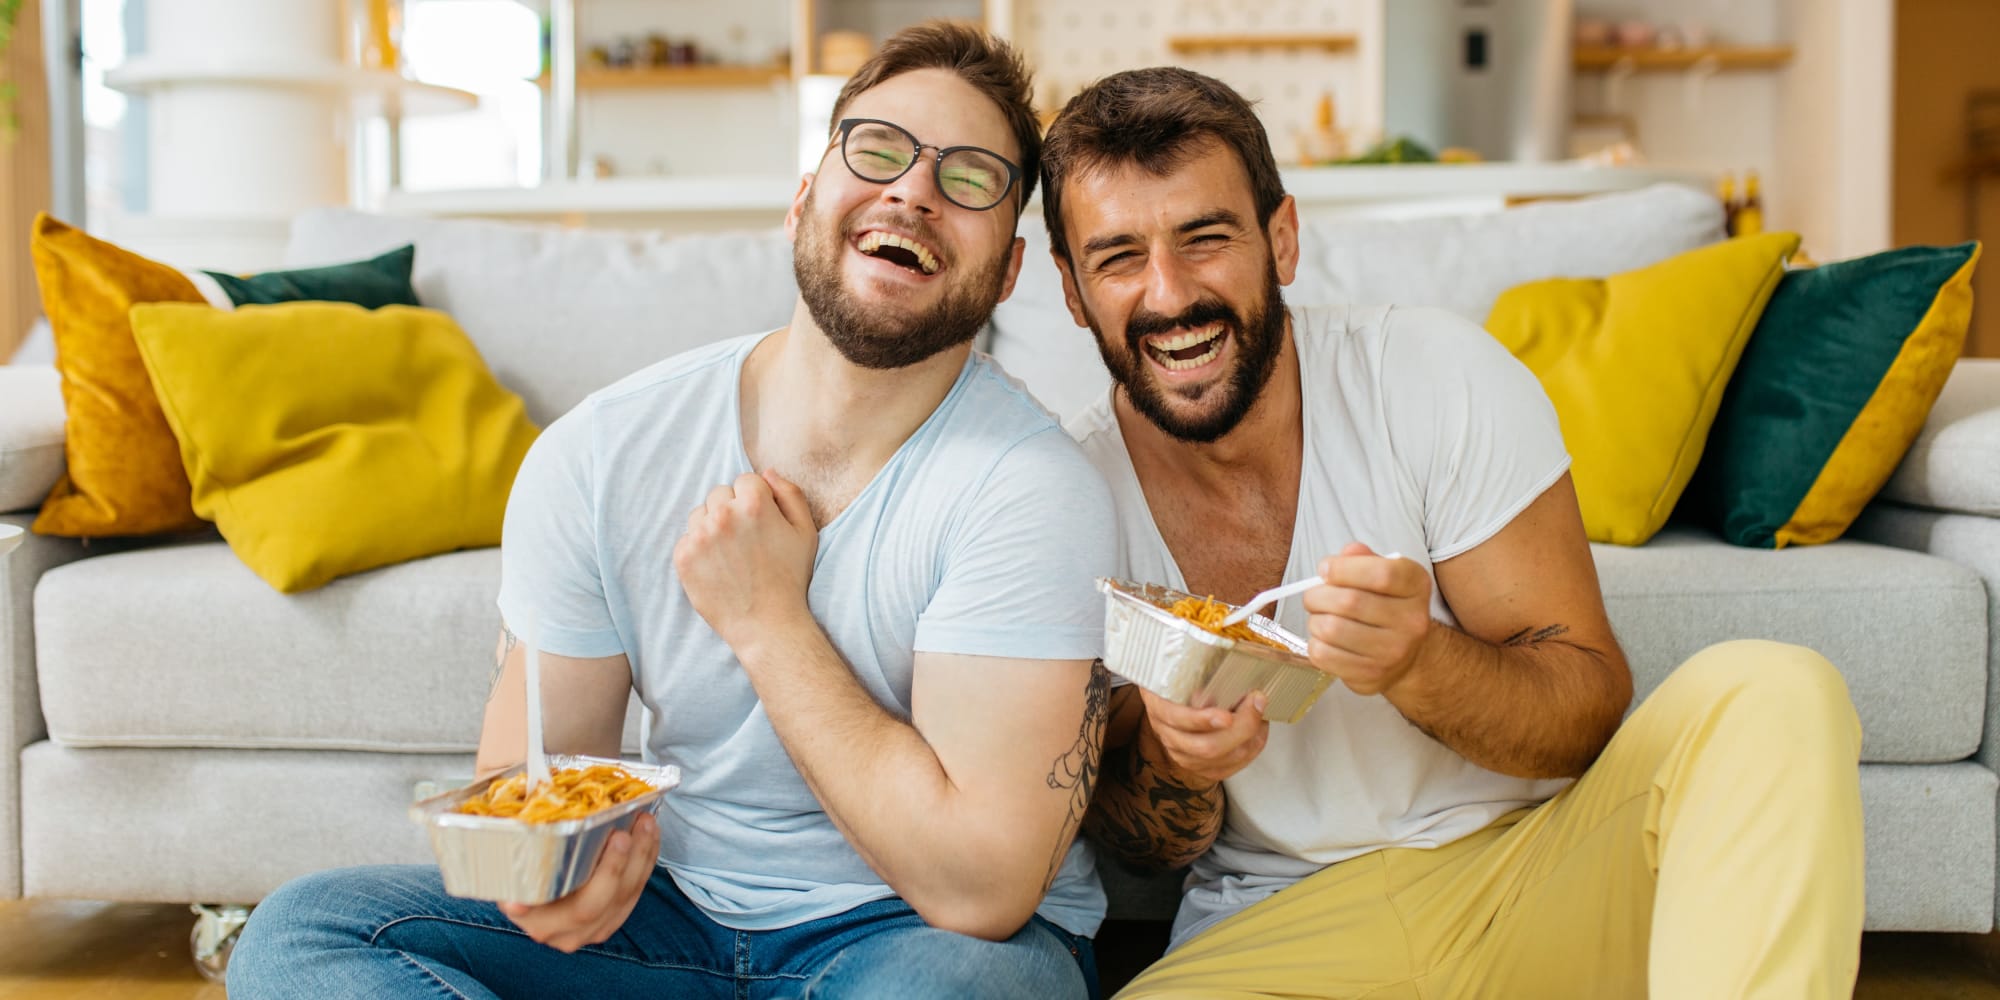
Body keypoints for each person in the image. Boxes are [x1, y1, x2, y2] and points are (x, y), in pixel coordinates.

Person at [228, 22, 1116, 1000]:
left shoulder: (1030, 486)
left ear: (1006, 272)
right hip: (666, 917)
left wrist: (768, 620)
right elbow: (531, 775)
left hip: (912, 941)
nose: (910, 189)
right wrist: (546, 878)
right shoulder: (603, 450)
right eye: (875, 149)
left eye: (968, 177)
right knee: (307, 933)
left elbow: (978, 887)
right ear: (802, 201)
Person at [1040, 67, 1865, 999]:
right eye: (1117, 258)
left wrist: (1419, 661)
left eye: (1206, 237)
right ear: (1071, 291)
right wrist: (1168, 758)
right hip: (1277, 924)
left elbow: (1586, 710)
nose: (1170, 292)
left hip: (1538, 877)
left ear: (1282, 238)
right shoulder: (1063, 496)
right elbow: (1128, 837)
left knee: (1775, 689)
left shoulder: (1433, 376)